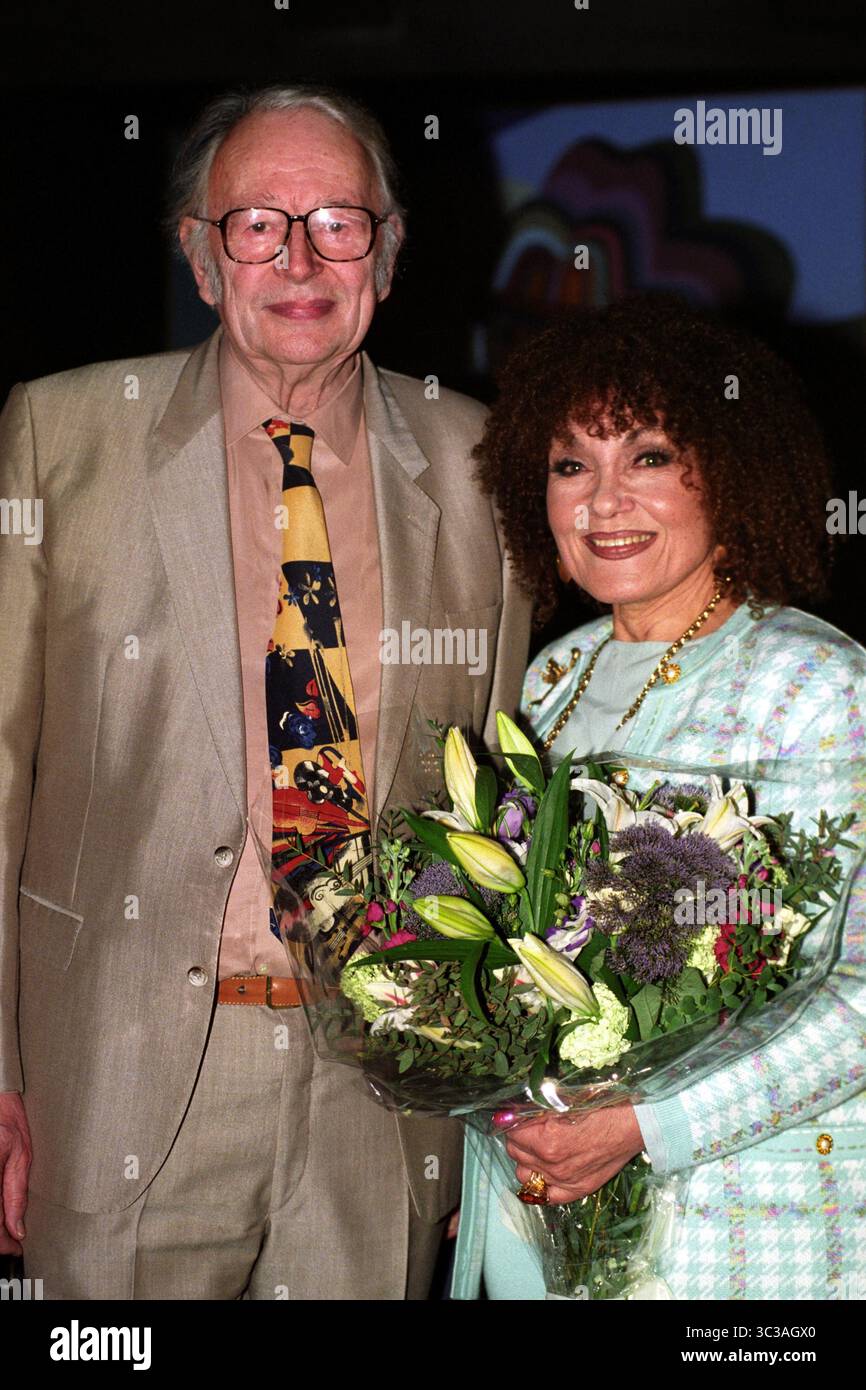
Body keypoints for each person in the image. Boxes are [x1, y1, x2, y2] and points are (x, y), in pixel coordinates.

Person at [0, 84, 531, 1299]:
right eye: (255, 224)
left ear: (385, 258)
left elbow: (497, 795)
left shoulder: (482, 461)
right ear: (199, 253)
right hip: (122, 1076)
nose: (299, 257)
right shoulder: (61, 437)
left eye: (339, 222)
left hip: (380, 1086)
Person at [451, 294, 866, 1299]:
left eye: (646, 457)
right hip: (542, 1213)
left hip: (741, 1230)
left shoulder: (815, 683)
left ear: (725, 469)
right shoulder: (556, 677)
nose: (601, 501)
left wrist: (645, 1125)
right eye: (568, 464)